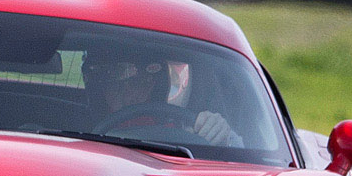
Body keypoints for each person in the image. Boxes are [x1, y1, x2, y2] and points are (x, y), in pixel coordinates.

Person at [86, 42, 240, 147]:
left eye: (146, 78)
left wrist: (221, 132)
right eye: (120, 79)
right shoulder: (76, 126)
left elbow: (243, 150)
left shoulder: (182, 126)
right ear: (102, 84)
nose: (137, 87)